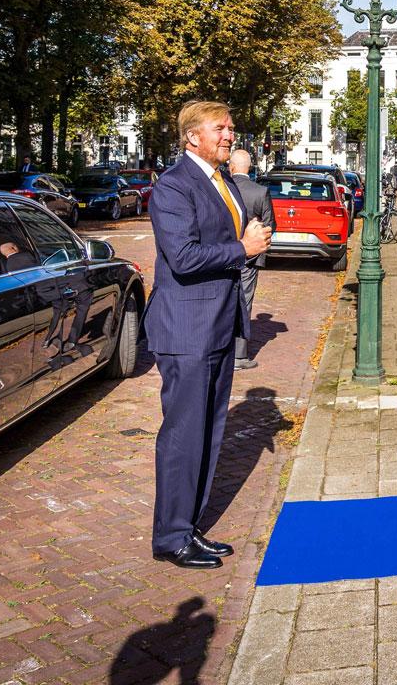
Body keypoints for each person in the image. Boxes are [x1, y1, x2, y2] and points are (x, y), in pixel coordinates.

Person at [144, 100, 272, 569]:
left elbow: (229, 241)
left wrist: (250, 239)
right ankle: (171, 536)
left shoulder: (224, 184)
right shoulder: (174, 186)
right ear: (192, 136)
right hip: (186, 329)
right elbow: (183, 257)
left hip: (218, 325)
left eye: (231, 127)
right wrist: (242, 247)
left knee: (209, 432)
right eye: (221, 128)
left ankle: (189, 527)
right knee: (183, 434)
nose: (230, 135)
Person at [228, 148, 274, 370]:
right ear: (250, 168)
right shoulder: (260, 191)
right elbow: (270, 225)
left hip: (223, 254)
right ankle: (239, 355)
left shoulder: (222, 189)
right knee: (244, 301)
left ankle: (222, 352)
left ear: (232, 166)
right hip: (249, 257)